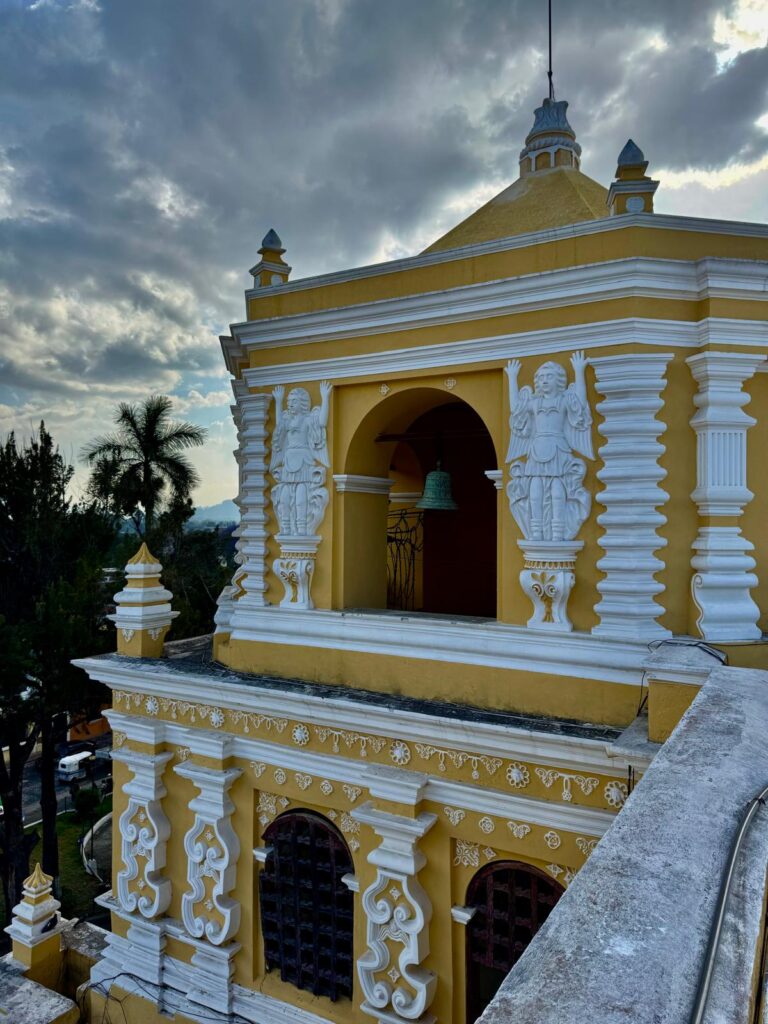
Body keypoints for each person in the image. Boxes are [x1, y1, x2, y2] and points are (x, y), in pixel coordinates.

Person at [505, 352, 593, 542]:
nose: (544, 380)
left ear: (559, 380)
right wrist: (512, 377)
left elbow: (580, 403)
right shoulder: (535, 402)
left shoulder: (563, 400)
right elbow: (516, 409)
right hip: (537, 449)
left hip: (558, 447)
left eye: (549, 376)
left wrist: (578, 371)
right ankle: (536, 532)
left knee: (557, 490)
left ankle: (557, 533)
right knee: (534, 489)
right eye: (541, 377)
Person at [270, 382, 332, 536]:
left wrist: (325, 397)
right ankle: (286, 528)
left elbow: (322, 422)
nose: (290, 404)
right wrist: (278, 401)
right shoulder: (287, 421)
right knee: (284, 497)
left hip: (304, 461)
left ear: (303, 403)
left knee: (300, 497)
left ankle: (302, 529)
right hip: (288, 461)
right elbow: (278, 425)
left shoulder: (308, 419)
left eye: (294, 401)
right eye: (289, 401)